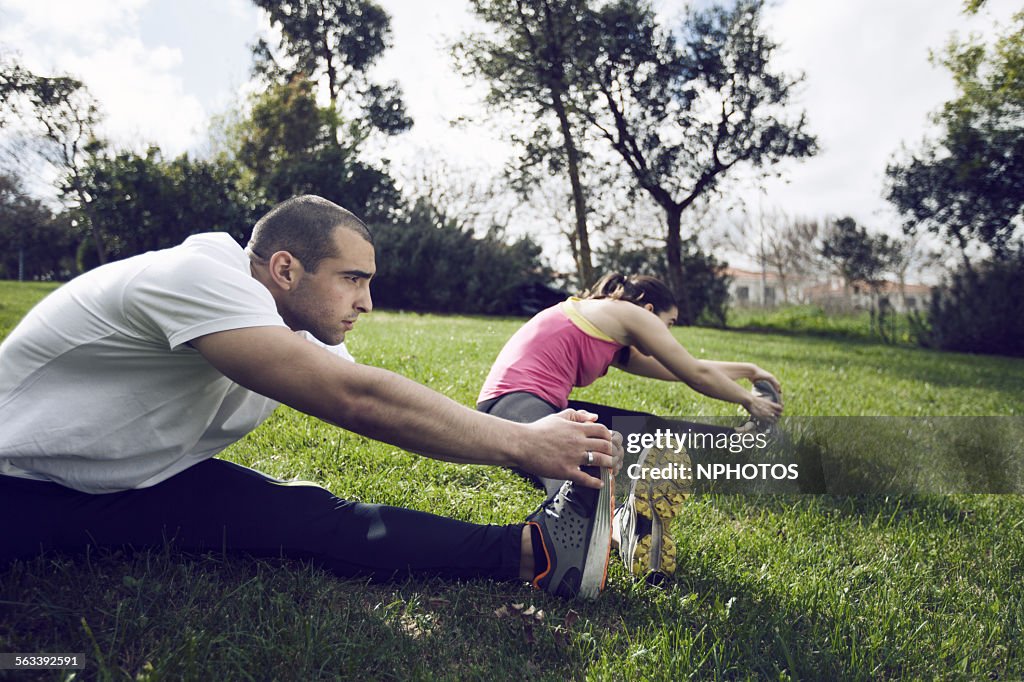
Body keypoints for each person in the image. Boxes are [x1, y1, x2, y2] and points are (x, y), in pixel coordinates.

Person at [0, 195, 625, 600]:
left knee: (309, 514)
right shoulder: (192, 278)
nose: (367, 301)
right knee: (294, 522)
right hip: (22, 484)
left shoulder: (291, 323)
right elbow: (356, 399)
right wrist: (525, 440)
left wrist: (550, 448)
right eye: (353, 279)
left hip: (143, 477)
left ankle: (538, 554)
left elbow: (393, 399)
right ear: (285, 269)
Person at [477, 272, 783, 578]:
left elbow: (678, 368)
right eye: (670, 323)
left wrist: (749, 370)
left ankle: (741, 442)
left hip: (541, 408)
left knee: (649, 429)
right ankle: (619, 528)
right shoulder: (630, 313)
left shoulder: (611, 326)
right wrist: (750, 400)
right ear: (649, 310)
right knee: (579, 463)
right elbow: (696, 373)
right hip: (511, 405)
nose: (667, 332)